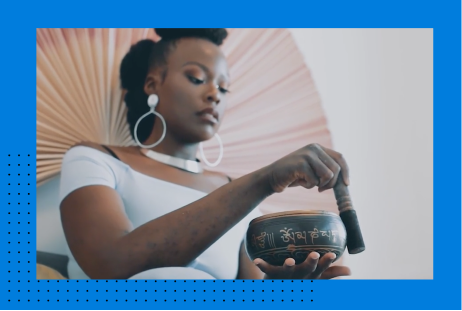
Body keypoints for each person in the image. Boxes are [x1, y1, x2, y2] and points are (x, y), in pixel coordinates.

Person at [58, 28, 352, 280]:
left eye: (223, 88)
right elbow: (109, 262)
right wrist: (265, 180)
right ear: (152, 84)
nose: (214, 94)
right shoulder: (93, 160)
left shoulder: (236, 192)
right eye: (197, 78)